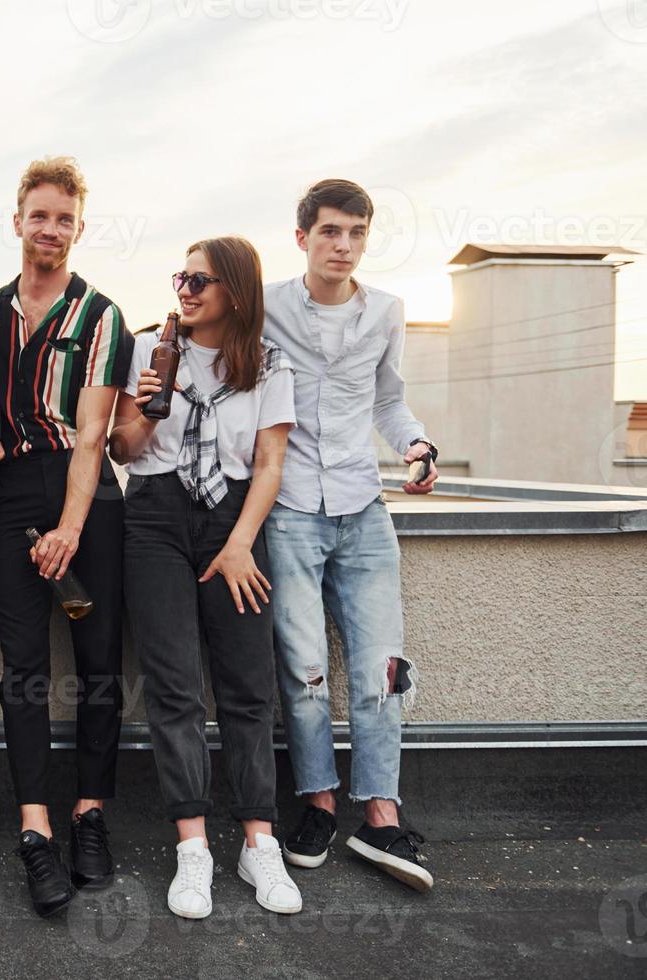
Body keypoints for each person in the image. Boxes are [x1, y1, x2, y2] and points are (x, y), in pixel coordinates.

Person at [109, 237, 302, 919]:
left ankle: (259, 841)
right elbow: (124, 451)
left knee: (250, 685)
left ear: (236, 292)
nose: (185, 290)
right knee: (175, 686)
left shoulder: (268, 364)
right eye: (181, 277)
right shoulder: (146, 350)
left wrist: (242, 544)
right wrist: (143, 406)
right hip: (156, 517)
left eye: (201, 280)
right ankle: (194, 848)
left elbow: (270, 463)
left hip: (232, 522)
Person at [264, 178, 438, 893]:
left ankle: (381, 813)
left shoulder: (387, 311)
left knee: (381, 670)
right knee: (304, 671)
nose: (344, 245)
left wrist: (418, 446)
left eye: (356, 233)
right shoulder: (268, 305)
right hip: (292, 509)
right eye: (331, 231)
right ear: (302, 236)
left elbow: (389, 400)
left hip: (365, 511)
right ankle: (317, 804)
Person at [0, 156, 132, 917]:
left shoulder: (100, 315)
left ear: (78, 226)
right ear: (17, 222)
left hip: (86, 494)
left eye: (64, 218)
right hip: (7, 496)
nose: (51, 229)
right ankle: (35, 829)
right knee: (23, 665)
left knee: (99, 661)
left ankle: (89, 813)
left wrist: (70, 526)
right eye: (39, 215)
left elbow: (96, 431)